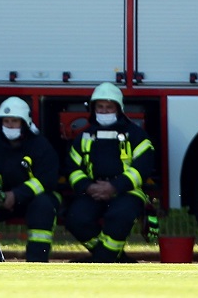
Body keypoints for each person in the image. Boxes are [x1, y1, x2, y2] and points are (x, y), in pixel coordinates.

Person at [64, 82, 155, 263]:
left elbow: (143, 167)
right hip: (93, 191)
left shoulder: (135, 135)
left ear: (118, 109)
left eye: (109, 107)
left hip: (128, 191)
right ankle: (115, 259)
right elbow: (72, 169)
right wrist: (88, 187)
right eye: (100, 107)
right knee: (75, 218)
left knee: (119, 216)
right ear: (93, 108)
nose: (104, 111)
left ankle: (100, 260)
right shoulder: (84, 136)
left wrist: (114, 186)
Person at [0, 97, 59, 262]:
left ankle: (37, 262)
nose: (10, 125)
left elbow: (47, 179)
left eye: (14, 121)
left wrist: (16, 195)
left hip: (34, 200)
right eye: (6, 121)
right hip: (2, 201)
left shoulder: (40, 145)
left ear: (25, 122)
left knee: (43, 206)